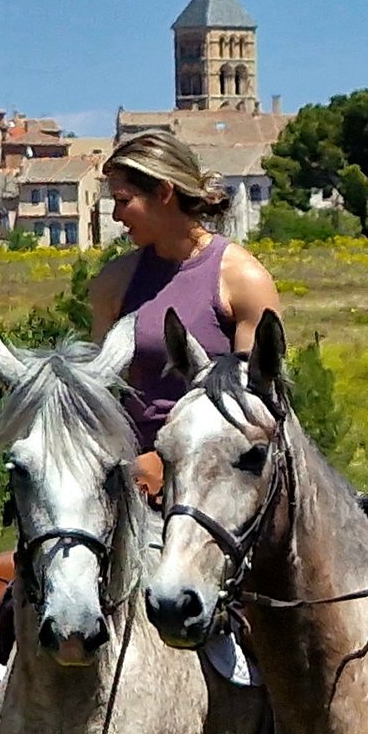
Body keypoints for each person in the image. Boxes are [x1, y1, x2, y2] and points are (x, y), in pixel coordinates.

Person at [87, 128, 284, 487]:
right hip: (133, 474)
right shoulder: (113, 282)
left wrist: (168, 459)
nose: (115, 216)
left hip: (219, 478)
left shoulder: (243, 279)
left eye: (123, 200)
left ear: (164, 192)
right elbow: (98, 395)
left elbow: (253, 406)